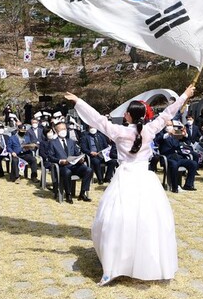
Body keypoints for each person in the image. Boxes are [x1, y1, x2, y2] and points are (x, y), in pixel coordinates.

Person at [65, 83, 195, 285]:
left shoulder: (118, 131)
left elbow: (97, 119)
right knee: (148, 220)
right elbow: (169, 113)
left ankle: (115, 264)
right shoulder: (151, 129)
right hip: (144, 178)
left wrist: (79, 102)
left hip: (125, 177)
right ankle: (146, 260)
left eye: (126, 112)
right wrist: (185, 95)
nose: (124, 113)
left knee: (115, 220)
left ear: (130, 116)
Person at [45, 121, 93, 203]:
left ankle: (82, 193)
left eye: (65, 128)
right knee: (67, 172)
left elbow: (77, 153)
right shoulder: (52, 143)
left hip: (74, 165)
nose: (64, 130)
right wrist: (60, 161)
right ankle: (68, 194)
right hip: (62, 167)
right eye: (61, 129)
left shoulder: (71, 141)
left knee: (88, 170)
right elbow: (50, 157)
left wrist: (80, 159)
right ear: (56, 131)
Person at [159, 122, 199, 192]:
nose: (170, 127)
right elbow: (158, 140)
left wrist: (185, 134)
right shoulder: (161, 134)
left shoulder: (175, 134)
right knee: (174, 164)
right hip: (167, 158)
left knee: (193, 164)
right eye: (168, 125)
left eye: (171, 125)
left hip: (178, 157)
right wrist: (168, 134)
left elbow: (185, 140)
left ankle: (188, 185)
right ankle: (175, 187)